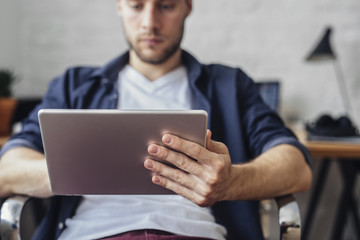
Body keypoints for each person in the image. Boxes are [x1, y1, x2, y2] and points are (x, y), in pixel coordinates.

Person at [0, 0, 312, 239]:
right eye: (136, 5)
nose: (150, 22)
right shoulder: (73, 86)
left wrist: (231, 183)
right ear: (120, 6)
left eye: (166, 5)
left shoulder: (230, 85)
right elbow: (6, 170)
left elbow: (296, 167)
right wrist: (71, 168)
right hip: (93, 233)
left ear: (188, 6)